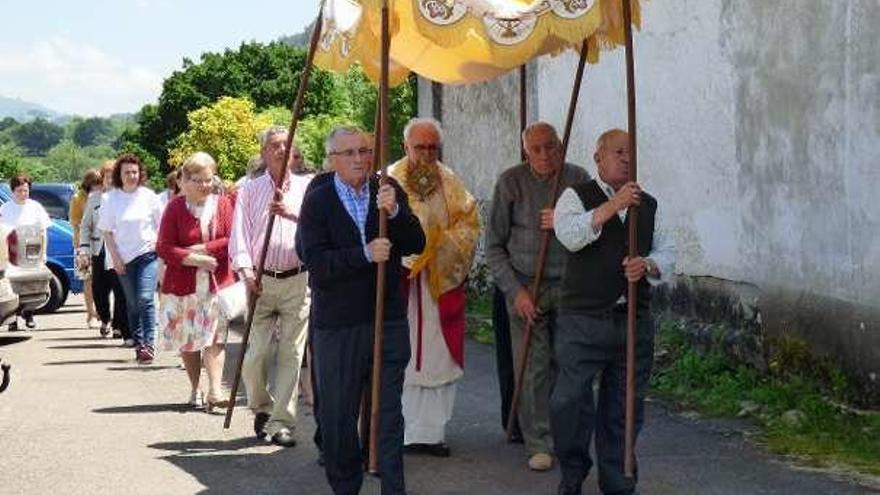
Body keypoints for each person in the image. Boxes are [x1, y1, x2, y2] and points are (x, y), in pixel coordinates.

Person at [297, 125, 425, 495]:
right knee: (338, 416)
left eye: (365, 151)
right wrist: (364, 254)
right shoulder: (318, 199)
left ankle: (393, 488)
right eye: (349, 153)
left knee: (387, 414)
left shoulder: (387, 190)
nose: (359, 159)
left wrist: (396, 211)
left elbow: (417, 241)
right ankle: (345, 486)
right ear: (332, 160)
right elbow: (316, 263)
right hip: (338, 325)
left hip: (387, 319)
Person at [552, 129, 674, 495]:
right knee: (569, 401)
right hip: (582, 320)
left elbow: (668, 252)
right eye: (617, 152)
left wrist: (648, 266)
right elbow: (568, 234)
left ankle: (618, 476)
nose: (625, 158)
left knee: (624, 407)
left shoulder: (649, 205)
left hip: (632, 321)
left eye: (630, 153)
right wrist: (612, 206)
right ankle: (573, 468)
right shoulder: (575, 196)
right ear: (598, 158)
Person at [485, 121, 590, 472]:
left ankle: (568, 437)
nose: (546, 155)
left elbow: (595, 229)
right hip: (526, 284)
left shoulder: (578, 179)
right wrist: (516, 293)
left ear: (561, 146)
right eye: (537, 149)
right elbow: (494, 247)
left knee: (570, 365)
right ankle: (539, 442)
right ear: (525, 151)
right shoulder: (510, 182)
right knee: (532, 369)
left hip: (571, 285)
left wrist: (565, 221)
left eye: (552, 146)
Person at [388, 118, 479, 457]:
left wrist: (438, 250)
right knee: (402, 354)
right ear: (405, 146)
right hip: (402, 284)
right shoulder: (388, 180)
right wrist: (407, 255)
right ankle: (403, 429)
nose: (426, 153)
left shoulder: (451, 181)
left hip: (438, 285)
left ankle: (432, 432)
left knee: (439, 357)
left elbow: (468, 224)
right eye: (419, 146)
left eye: (432, 147)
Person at [228, 126, 312, 447]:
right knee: (256, 355)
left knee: (292, 352)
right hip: (261, 280)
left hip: (298, 278)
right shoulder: (249, 190)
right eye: (274, 146)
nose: (280, 150)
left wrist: (291, 214)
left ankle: (281, 422)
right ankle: (262, 407)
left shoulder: (308, 187)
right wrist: (247, 272)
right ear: (264, 154)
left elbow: (318, 227)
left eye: (286, 146)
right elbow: (239, 235)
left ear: (293, 154)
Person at [157, 152, 235, 412]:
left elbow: (230, 240)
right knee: (189, 340)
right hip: (182, 287)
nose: (205, 185)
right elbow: (164, 248)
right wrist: (194, 259)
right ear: (184, 181)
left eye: (208, 179)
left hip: (216, 285)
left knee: (215, 337)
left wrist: (202, 248)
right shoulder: (174, 207)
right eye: (198, 180)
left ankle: (215, 389)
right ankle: (196, 387)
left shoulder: (223, 205)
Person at [98, 154, 163, 364]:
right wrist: (115, 259)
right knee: (132, 303)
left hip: (147, 254)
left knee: (145, 299)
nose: (131, 176)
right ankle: (138, 341)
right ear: (119, 174)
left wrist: (161, 252)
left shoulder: (149, 196)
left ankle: (149, 344)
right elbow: (107, 232)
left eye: (135, 172)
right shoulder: (110, 198)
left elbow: (161, 226)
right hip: (123, 258)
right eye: (127, 172)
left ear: (140, 174)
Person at [79, 161, 130, 342]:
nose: (110, 180)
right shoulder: (94, 198)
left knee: (120, 290)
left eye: (113, 176)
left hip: (118, 250)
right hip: (98, 249)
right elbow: (85, 226)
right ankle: (104, 318)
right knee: (99, 289)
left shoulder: (125, 197)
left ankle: (118, 325)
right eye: (107, 177)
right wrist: (83, 250)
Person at [0, 174, 52, 330]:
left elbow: (43, 232)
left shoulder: (35, 207)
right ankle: (12, 318)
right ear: (13, 191)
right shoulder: (5, 208)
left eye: (25, 190)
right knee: (12, 286)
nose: (23, 194)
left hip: (32, 251)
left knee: (31, 285)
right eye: (19, 191)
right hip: (11, 252)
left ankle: (29, 314)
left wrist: (43, 252)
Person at [70, 169, 102, 330]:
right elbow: (75, 223)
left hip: (100, 244)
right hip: (82, 245)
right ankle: (90, 313)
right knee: (87, 280)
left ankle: (102, 312)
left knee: (102, 281)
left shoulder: (103, 197)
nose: (98, 186)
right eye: (95, 183)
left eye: (99, 183)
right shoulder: (78, 198)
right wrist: (80, 247)